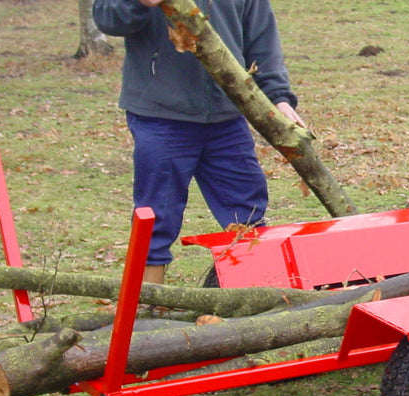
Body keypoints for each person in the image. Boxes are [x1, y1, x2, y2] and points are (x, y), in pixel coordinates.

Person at [92, 0, 304, 284]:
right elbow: (107, 16)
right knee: (155, 216)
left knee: (247, 211)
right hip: (161, 115)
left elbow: (261, 40)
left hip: (228, 116)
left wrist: (278, 97)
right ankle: (147, 307)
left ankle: (247, 299)